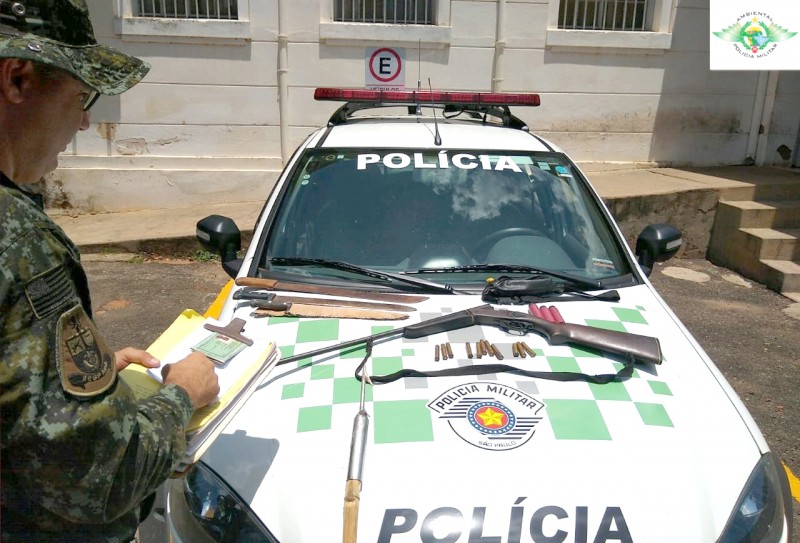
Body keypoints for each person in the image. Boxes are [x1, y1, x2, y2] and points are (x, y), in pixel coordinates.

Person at [0, 1, 220, 541]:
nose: (84, 121)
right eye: (82, 95)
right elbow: (98, 476)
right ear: (17, 78)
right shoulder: (19, 242)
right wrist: (183, 395)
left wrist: (75, 377)